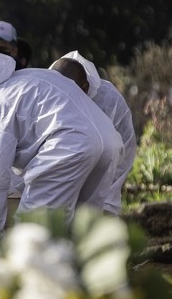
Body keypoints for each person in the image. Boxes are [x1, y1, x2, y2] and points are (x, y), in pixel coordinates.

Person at [0, 51, 123, 233]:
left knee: (31, 235)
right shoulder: (28, 77)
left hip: (70, 146)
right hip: (109, 142)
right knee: (81, 233)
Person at [49, 51, 137, 214]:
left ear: (85, 87)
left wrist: (104, 197)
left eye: (71, 91)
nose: (66, 97)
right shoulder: (47, 95)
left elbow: (124, 152)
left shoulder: (109, 101)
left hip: (102, 195)